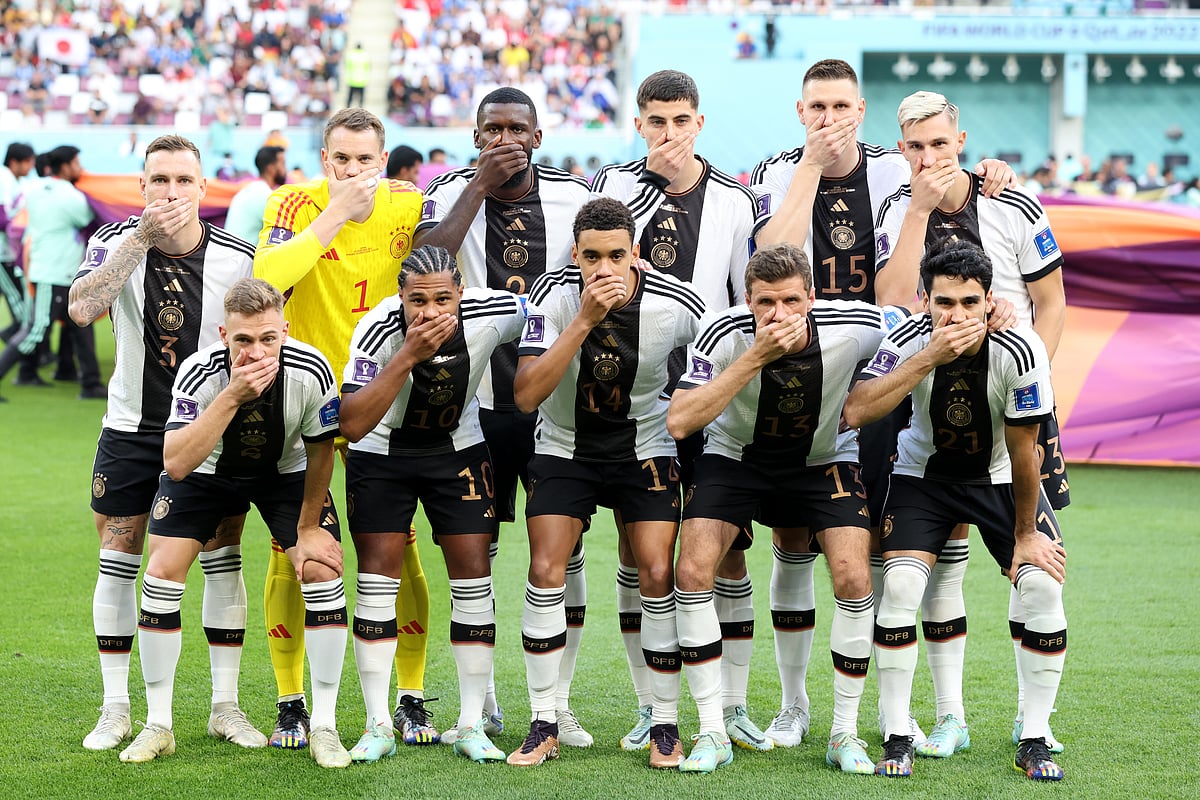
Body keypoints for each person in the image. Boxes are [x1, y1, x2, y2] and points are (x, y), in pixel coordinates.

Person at [749, 59, 1014, 748]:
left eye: (841, 106)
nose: (830, 119)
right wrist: (811, 166)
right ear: (799, 111)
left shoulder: (898, 169)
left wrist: (989, 172)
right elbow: (767, 255)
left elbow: (950, 187)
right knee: (794, 536)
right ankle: (794, 704)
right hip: (802, 372)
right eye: (817, 107)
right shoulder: (776, 169)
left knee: (910, 542)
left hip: (891, 376)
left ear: (861, 110)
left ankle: (924, 710)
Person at [873, 90, 1068, 756]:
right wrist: (919, 210)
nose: (928, 157)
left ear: (960, 138)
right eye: (915, 146)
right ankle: (947, 715)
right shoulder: (897, 209)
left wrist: (1029, 382)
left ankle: (1030, 722)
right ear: (901, 149)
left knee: (1034, 568)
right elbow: (892, 303)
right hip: (925, 404)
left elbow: (1052, 302)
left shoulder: (1013, 202)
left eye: (939, 142)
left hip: (1012, 401)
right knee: (935, 566)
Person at [667, 242, 896, 774]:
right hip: (736, 460)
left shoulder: (856, 324)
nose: (778, 315)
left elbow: (916, 325)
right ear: (747, 300)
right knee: (692, 570)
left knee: (853, 578)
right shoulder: (722, 332)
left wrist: (996, 309)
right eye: (765, 302)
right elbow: (680, 421)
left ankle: (843, 733)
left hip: (822, 460)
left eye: (791, 301)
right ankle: (710, 730)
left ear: (812, 298)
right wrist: (757, 355)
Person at [589, 69, 766, 753]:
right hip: (629, 398)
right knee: (643, 556)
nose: (668, 134)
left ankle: (737, 704)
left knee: (724, 555)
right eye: (656, 122)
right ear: (639, 125)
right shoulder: (612, 186)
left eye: (680, 121)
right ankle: (649, 705)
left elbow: (739, 294)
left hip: (707, 397)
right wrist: (647, 187)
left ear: (700, 122)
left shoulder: (733, 198)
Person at [843, 240, 1067, 782]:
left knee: (1040, 586)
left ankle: (1034, 736)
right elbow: (856, 410)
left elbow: (1023, 451)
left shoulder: (1021, 348)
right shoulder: (908, 339)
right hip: (923, 479)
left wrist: (1025, 538)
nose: (958, 315)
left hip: (997, 479)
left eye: (970, 303)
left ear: (990, 301)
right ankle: (898, 733)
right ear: (925, 300)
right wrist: (929, 357)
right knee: (897, 589)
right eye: (945, 303)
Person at [416, 87, 593, 746]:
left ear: (539, 135)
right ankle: (483, 695)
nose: (504, 139)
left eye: (517, 128)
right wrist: (477, 190)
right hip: (475, 406)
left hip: (556, 408)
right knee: (478, 550)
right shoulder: (449, 192)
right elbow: (425, 266)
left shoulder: (573, 197)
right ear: (475, 134)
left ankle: (559, 700)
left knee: (564, 555)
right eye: (492, 129)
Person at [68, 134, 255, 752]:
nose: (170, 192)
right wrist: (141, 238)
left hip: (207, 433)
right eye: (158, 180)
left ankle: (225, 707)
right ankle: (115, 706)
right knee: (119, 555)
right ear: (141, 186)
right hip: (130, 428)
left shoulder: (238, 258)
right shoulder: (113, 242)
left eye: (182, 181)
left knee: (224, 551)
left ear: (204, 190)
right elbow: (82, 309)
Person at [253, 107, 432, 750]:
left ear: (383, 162)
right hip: (304, 401)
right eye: (340, 159)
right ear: (324, 158)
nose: (352, 170)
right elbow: (266, 278)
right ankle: (291, 700)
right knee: (295, 551)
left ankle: (409, 696)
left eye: (364, 160)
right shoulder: (293, 201)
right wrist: (335, 213)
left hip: (381, 400)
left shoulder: (410, 203)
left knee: (394, 546)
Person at [119, 278, 350, 768]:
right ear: (224, 334)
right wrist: (231, 396)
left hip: (285, 474)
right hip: (207, 471)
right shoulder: (199, 372)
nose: (257, 350)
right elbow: (176, 463)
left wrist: (308, 528)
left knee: (322, 572)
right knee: (160, 574)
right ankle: (159, 724)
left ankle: (325, 727)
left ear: (285, 331)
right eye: (244, 340)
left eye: (268, 338)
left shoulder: (312, 370)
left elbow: (322, 450)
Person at [509, 198, 706, 768]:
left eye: (616, 255)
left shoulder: (676, 303)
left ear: (635, 253)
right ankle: (543, 719)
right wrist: (585, 320)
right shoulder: (551, 295)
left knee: (658, 570)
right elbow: (525, 395)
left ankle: (664, 723)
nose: (604, 269)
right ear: (575, 254)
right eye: (591, 256)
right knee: (545, 567)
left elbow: (725, 348)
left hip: (644, 448)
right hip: (565, 447)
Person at [338, 245, 527, 764]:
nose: (429, 312)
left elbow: (545, 311)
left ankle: (470, 724)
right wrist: (407, 356)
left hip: (458, 450)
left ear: (460, 294)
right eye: (416, 300)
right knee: (378, 580)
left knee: (473, 577)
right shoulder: (377, 330)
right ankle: (378, 724)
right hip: (382, 454)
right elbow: (351, 423)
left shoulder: (495, 312)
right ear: (399, 296)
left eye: (442, 299)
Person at [0, 146, 103, 397]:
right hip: (55, 272)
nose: (80, 168)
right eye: (77, 163)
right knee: (36, 330)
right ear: (66, 166)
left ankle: (90, 383)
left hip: (50, 268)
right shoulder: (71, 196)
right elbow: (88, 218)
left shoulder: (34, 189)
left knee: (81, 327)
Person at [0, 142, 35, 349]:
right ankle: (24, 356)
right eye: (28, 162)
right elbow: (2, 217)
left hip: (10, 252)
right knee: (19, 304)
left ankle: (18, 343)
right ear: (15, 162)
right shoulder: (4, 178)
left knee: (22, 302)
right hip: (2, 253)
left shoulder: (15, 181)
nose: (31, 167)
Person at [224, 146, 287, 245]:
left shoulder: (247, 191)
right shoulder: (267, 197)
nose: (285, 169)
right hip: (245, 258)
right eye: (283, 164)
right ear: (271, 168)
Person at [345, 43, 370, 107]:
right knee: (361, 99)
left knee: (350, 98)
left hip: (352, 80)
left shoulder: (350, 55)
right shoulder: (365, 55)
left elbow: (347, 66)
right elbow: (367, 68)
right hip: (362, 80)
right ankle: (361, 111)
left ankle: (347, 109)